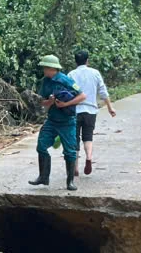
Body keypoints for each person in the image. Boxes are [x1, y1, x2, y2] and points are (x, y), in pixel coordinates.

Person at [27, 55, 86, 191]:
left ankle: (70, 181)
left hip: (67, 122)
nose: (44, 71)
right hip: (52, 120)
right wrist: (51, 101)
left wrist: (66, 103)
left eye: (45, 68)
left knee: (70, 152)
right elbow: (42, 101)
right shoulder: (45, 82)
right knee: (41, 146)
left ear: (52, 68)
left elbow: (82, 96)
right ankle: (43, 176)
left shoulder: (66, 80)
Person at [69, 49, 116, 177]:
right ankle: (89, 157)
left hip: (75, 110)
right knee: (88, 136)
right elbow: (102, 91)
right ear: (87, 60)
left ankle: (75, 167)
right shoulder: (95, 73)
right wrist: (110, 107)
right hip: (90, 110)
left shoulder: (71, 74)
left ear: (75, 61)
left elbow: (66, 93)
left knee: (74, 138)